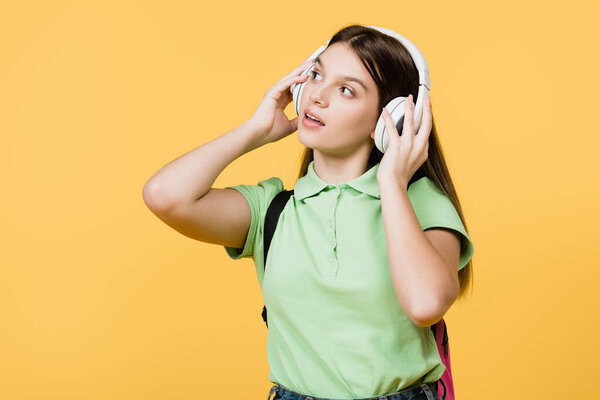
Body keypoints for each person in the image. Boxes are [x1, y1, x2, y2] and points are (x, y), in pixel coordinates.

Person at [142, 24, 474, 400]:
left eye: (346, 90)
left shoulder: (421, 202)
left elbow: (426, 303)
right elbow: (164, 196)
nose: (317, 96)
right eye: (315, 75)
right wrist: (255, 130)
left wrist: (393, 184)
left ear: (393, 119)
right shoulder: (273, 210)